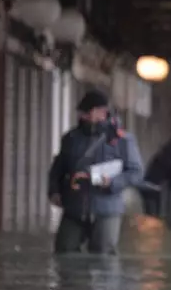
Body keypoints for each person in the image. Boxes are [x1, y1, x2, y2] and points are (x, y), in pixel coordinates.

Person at [48, 89, 143, 255]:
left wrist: (112, 182)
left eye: (87, 112)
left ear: (102, 112)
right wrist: (54, 191)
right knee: (64, 252)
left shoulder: (123, 140)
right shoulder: (71, 138)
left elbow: (136, 172)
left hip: (107, 209)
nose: (82, 116)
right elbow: (58, 167)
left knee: (103, 258)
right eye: (82, 112)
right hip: (74, 207)